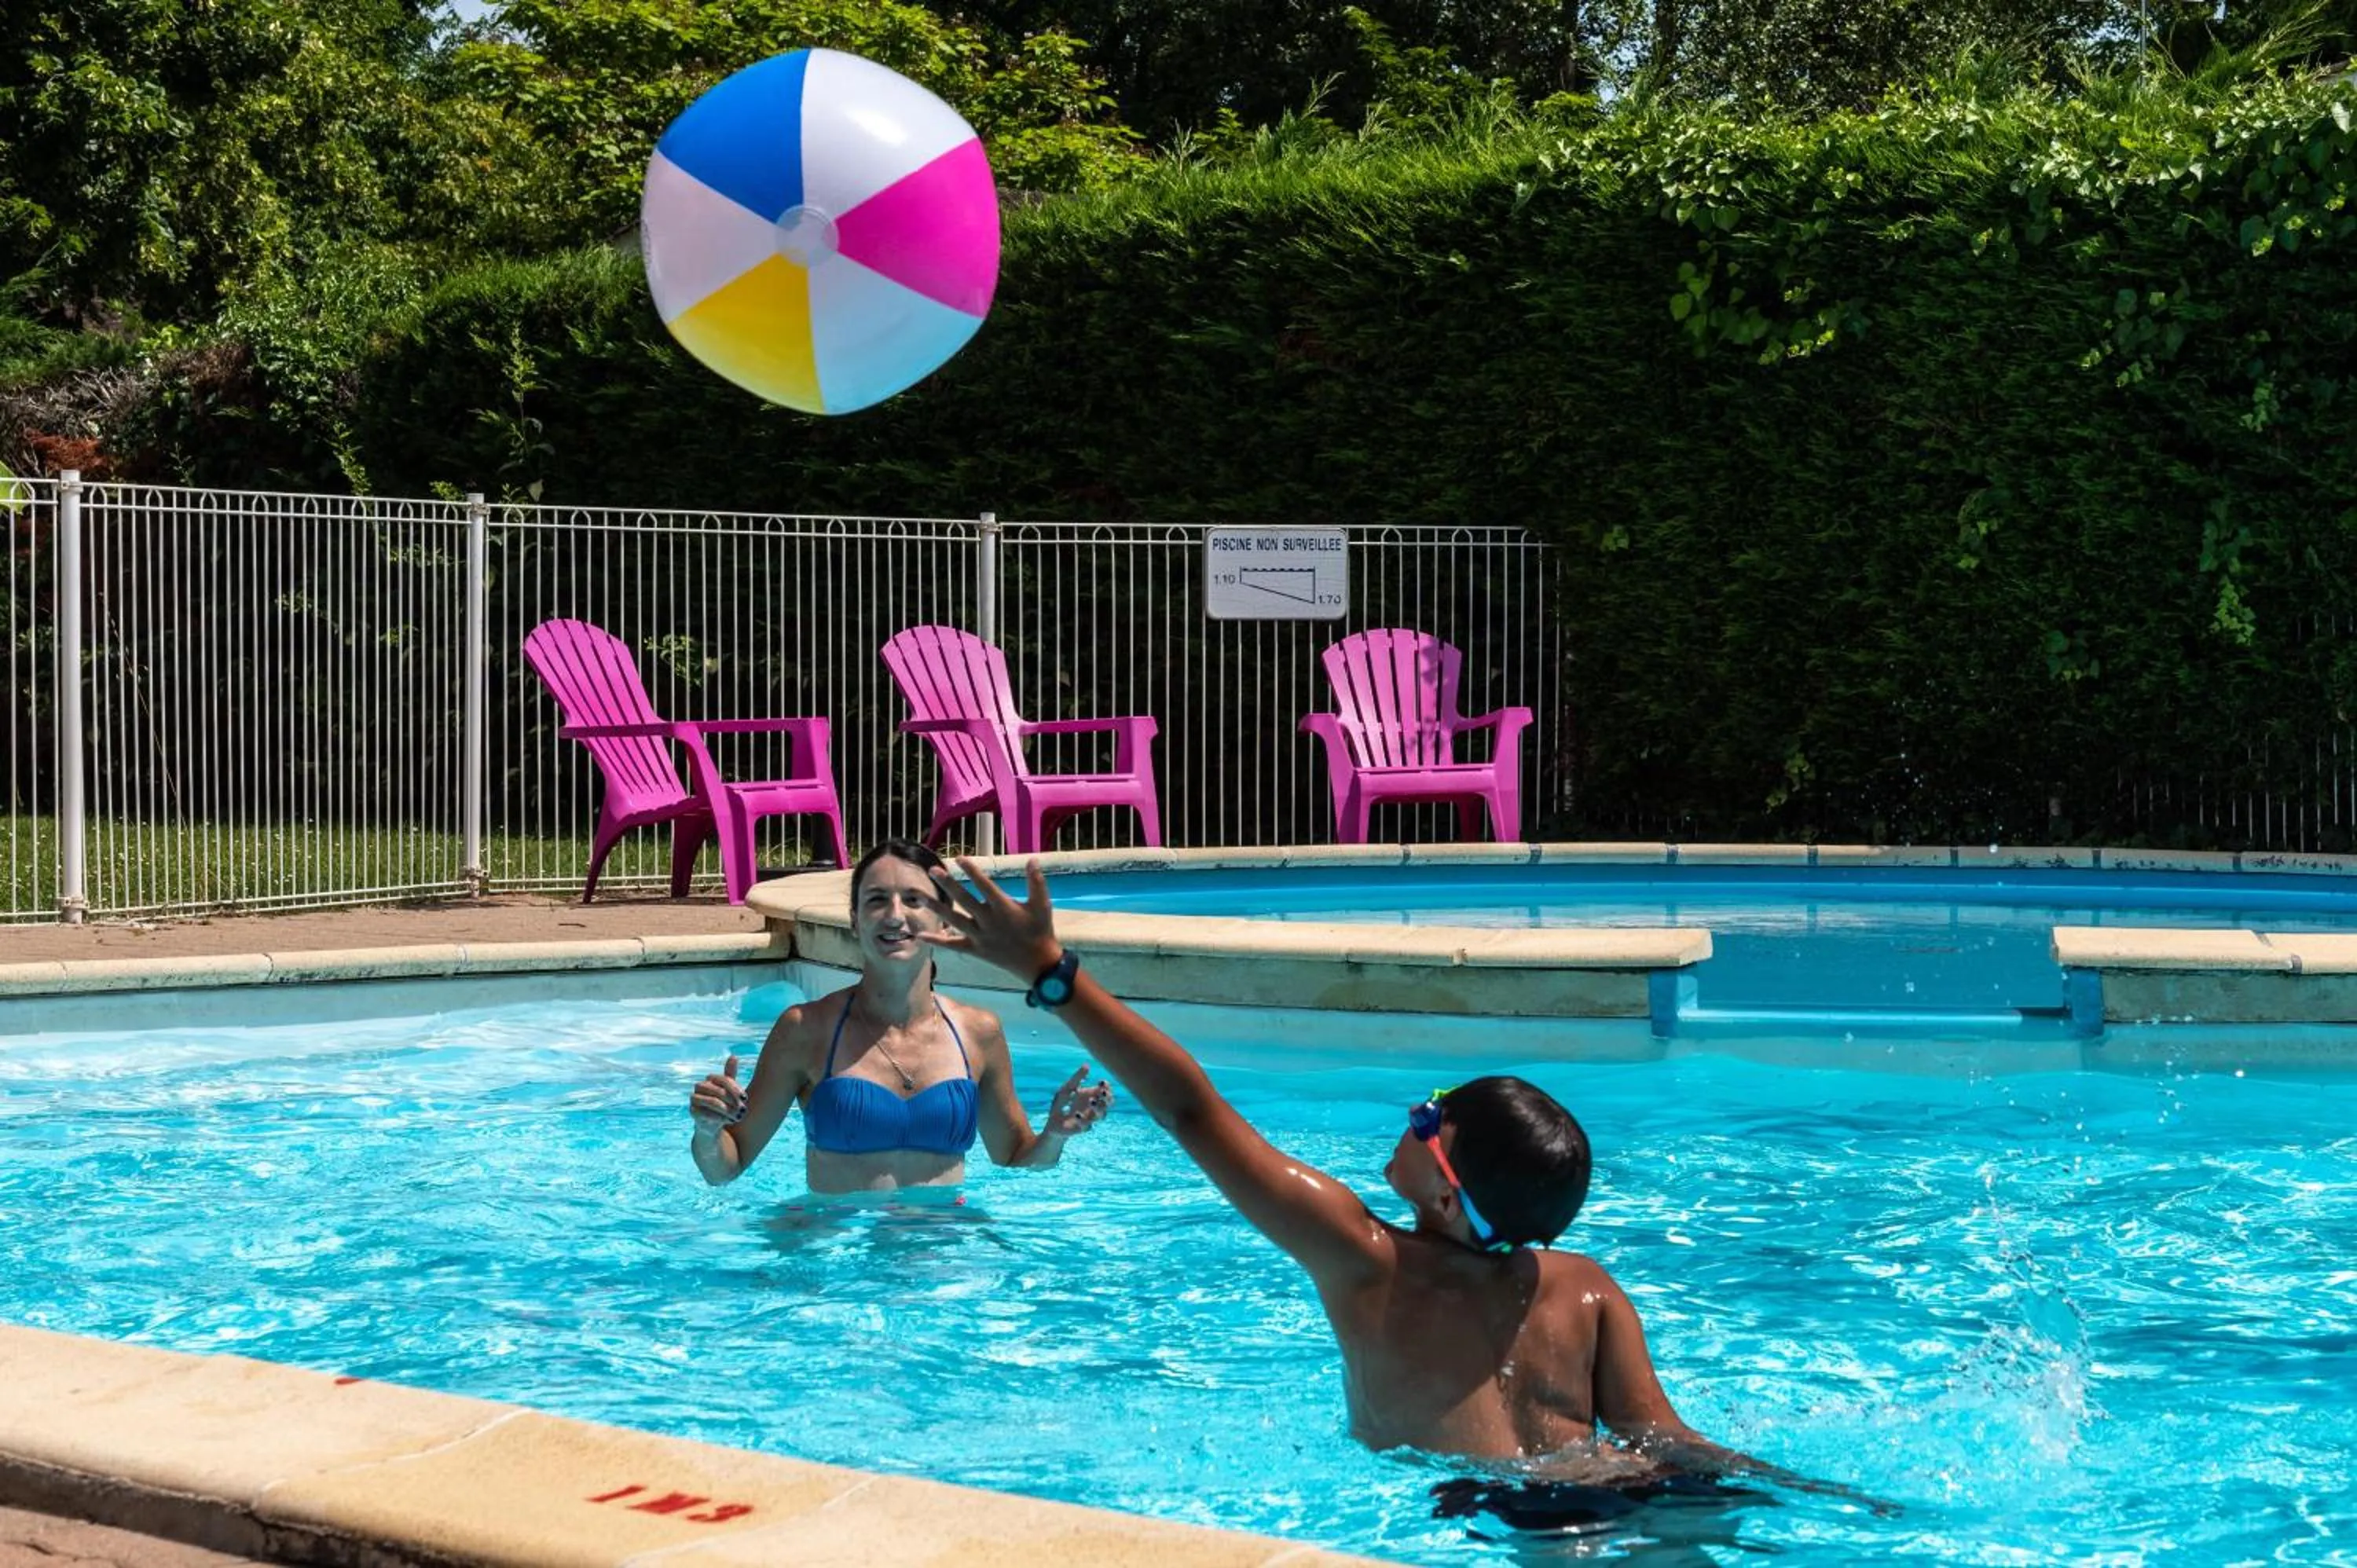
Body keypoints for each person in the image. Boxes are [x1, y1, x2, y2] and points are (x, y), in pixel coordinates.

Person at [921, 856, 1856, 1540]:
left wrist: (1054, 974)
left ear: (1450, 1199)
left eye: (1430, 1116)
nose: (1414, 1114)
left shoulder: (1366, 1260)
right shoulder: (1585, 1286)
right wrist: (1793, 1489)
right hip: (1635, 1488)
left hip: (1484, 1514)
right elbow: (1667, 1438)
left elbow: (1190, 1110)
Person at [688, 839, 1112, 1195]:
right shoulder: (806, 1030)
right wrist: (708, 1133)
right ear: (855, 921)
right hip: (835, 1251)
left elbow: (1017, 1156)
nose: (894, 915)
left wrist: (1054, 1136)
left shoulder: (978, 1033)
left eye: (914, 900)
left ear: (945, 923)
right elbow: (726, 1167)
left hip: (939, 1250)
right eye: (876, 901)